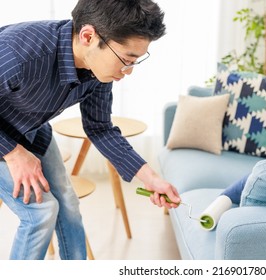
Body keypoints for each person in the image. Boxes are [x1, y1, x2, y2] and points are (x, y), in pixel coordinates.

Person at [0, 0, 180, 260]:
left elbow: (100, 128)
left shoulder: (98, 72)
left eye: (136, 61)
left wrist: (151, 178)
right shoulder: (19, 53)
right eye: (125, 59)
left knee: (69, 205)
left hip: (30, 128)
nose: (128, 71)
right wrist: (15, 153)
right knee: (40, 213)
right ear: (88, 36)